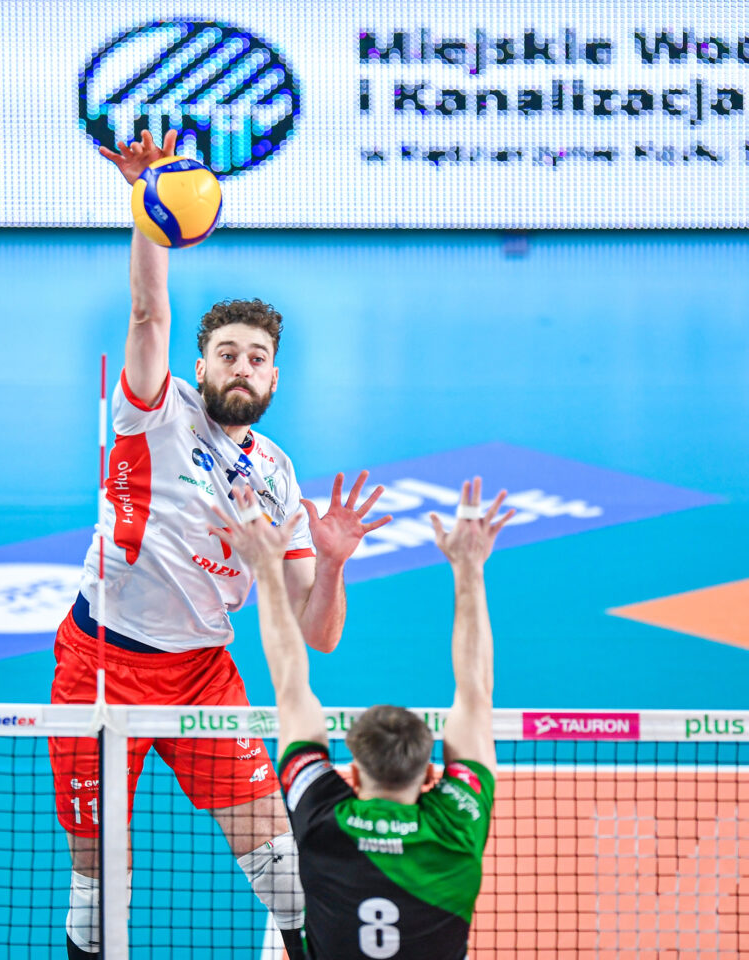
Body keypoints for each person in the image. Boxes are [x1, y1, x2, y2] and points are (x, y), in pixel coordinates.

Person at [49, 129, 391, 960]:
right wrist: (147, 209)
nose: (242, 366)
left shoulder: (278, 475)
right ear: (200, 366)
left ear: (274, 378)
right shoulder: (154, 412)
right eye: (227, 354)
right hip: (103, 666)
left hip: (203, 672)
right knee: (99, 886)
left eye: (257, 358)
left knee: (288, 876)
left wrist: (331, 562)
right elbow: (148, 312)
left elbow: (319, 634)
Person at [209, 477, 515, 959]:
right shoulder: (456, 826)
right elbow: (476, 692)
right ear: (431, 775)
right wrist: (469, 568)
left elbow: (290, 684)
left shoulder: (322, 818)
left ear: (352, 772)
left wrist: (265, 568)